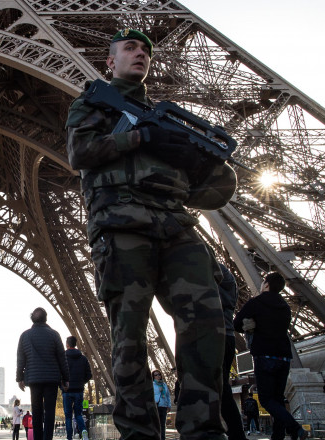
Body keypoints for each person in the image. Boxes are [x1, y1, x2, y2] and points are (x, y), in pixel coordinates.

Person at [65, 28, 236, 440]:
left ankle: (204, 429)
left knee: (208, 326)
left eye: (146, 50)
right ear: (110, 61)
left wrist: (190, 157)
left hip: (176, 224)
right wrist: (141, 136)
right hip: (122, 224)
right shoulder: (93, 103)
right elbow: (80, 153)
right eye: (129, 48)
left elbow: (214, 189)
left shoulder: (172, 119)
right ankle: (139, 433)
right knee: (129, 333)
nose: (140, 53)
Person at [233, 272, 307, 440]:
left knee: (266, 399)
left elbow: (237, 324)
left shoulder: (256, 303)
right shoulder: (284, 306)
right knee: (278, 399)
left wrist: (250, 326)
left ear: (265, 285)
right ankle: (278, 435)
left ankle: (295, 428)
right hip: (284, 357)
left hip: (264, 355)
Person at [16, 307, 69, 440]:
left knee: (37, 411)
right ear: (46, 318)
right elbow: (62, 358)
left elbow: (20, 359)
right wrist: (66, 378)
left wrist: (19, 378)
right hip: (52, 379)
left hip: (34, 379)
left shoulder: (25, 335)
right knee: (50, 412)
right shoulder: (54, 334)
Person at [217, 264, 248, 440]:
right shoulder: (229, 280)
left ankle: (235, 434)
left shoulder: (209, 273)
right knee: (221, 387)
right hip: (227, 335)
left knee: (215, 387)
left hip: (214, 335)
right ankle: (235, 434)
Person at [63, 336, 92, 440]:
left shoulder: (63, 357)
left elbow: (59, 373)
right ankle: (83, 430)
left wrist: (62, 384)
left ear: (67, 344)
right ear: (75, 344)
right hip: (79, 390)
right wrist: (81, 382)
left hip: (67, 390)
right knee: (78, 414)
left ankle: (69, 437)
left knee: (68, 416)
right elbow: (89, 375)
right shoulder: (83, 358)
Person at [151, 370, 171, 440]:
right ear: (153, 377)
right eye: (156, 375)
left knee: (163, 424)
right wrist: (158, 391)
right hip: (157, 405)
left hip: (164, 405)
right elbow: (151, 395)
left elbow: (168, 395)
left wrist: (169, 405)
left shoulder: (164, 384)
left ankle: (162, 438)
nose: (158, 376)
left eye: (159, 374)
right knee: (156, 424)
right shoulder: (152, 384)